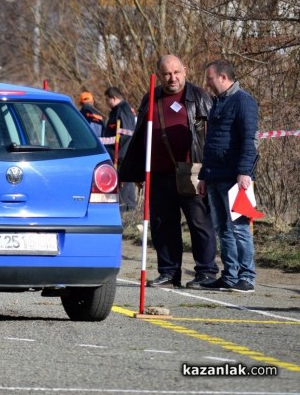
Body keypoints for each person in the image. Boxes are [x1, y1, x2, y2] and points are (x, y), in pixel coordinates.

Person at [118, 54, 219, 288]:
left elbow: (213, 136)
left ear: (185, 70)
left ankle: (206, 272)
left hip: (193, 172)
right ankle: (169, 272)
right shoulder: (151, 98)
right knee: (163, 225)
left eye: (176, 72)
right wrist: (137, 171)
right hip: (158, 174)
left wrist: (211, 169)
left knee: (200, 223)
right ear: (159, 74)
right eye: (166, 73)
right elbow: (141, 135)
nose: (172, 78)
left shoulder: (199, 97)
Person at [198, 59, 259, 293]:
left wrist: (245, 172)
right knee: (222, 228)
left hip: (235, 178)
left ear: (223, 77)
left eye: (210, 78)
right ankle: (230, 275)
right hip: (214, 176)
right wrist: (204, 175)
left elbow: (249, 140)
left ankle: (247, 276)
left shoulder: (243, 101)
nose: (207, 83)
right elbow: (211, 143)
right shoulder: (217, 103)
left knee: (240, 228)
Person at [104, 87, 137, 211]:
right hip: (114, 153)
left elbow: (126, 134)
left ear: (114, 98)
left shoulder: (123, 110)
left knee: (124, 182)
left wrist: (120, 153)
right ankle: (124, 208)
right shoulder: (115, 110)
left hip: (122, 153)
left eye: (107, 99)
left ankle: (127, 209)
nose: (106, 102)